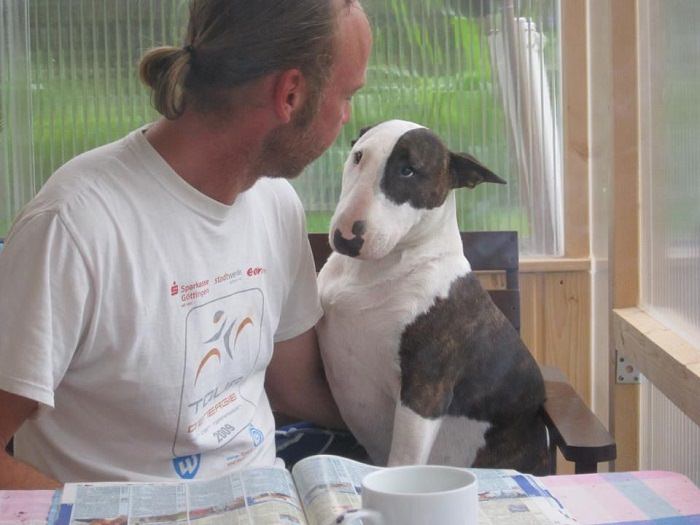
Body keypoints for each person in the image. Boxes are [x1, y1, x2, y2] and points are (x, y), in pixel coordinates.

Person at [0, 0, 371, 487]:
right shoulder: (74, 226)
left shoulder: (276, 205)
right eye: (346, 96)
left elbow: (296, 387)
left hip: (266, 504)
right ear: (291, 93)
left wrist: (423, 422)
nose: (346, 117)